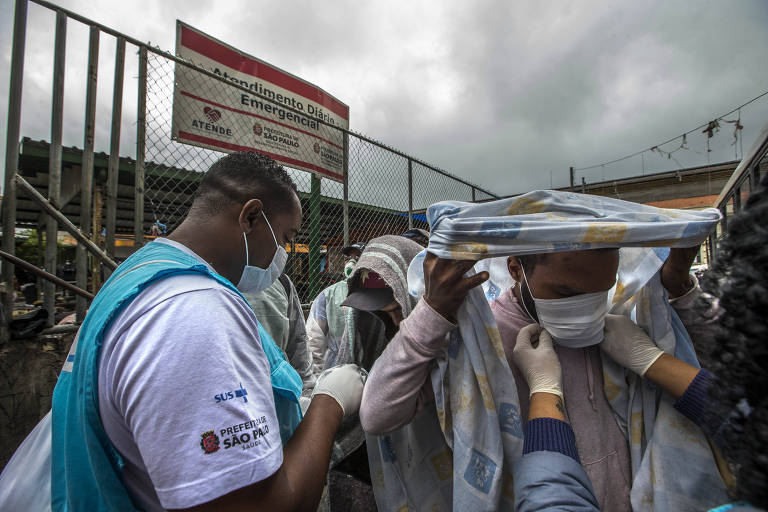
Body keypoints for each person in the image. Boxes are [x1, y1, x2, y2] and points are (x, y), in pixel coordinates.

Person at [361, 191, 726, 511]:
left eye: (600, 290)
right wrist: (431, 314)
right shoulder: (480, 341)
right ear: (516, 268)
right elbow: (378, 415)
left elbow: (717, 377)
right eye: (566, 293)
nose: (587, 307)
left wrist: (676, 294)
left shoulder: (620, 320)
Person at [50, 151, 365, 512]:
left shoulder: (141, 273)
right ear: (250, 217)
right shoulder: (192, 311)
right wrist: (330, 403)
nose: (284, 253)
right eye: (285, 236)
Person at [243, 272, 316, 402]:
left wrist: (304, 395)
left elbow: (298, 343)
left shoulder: (280, 281)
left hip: (279, 394)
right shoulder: (206, 284)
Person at [307, 242, 365, 372]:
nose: (351, 262)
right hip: (336, 371)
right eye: (349, 258)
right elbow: (314, 340)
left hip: (370, 369)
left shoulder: (378, 292)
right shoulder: (328, 295)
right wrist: (316, 376)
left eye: (357, 258)